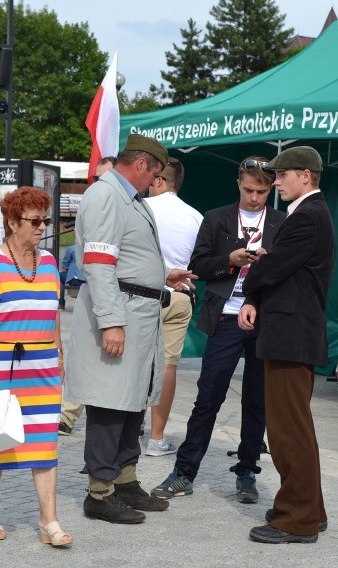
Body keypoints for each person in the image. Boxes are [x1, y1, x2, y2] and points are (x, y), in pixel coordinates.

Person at [65, 134, 195, 525]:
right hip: (121, 311)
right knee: (109, 403)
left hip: (139, 308)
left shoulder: (129, 199)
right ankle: (100, 492)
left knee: (132, 399)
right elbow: (100, 264)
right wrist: (112, 323)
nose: (154, 181)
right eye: (154, 173)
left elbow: (126, 256)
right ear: (141, 165)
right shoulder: (107, 196)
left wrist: (162, 275)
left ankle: (125, 480)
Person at [152, 156, 285, 504]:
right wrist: (230, 261)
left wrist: (267, 264)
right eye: (248, 189)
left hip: (263, 320)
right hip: (225, 317)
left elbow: (286, 275)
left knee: (258, 402)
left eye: (261, 191)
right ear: (238, 183)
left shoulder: (281, 223)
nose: (255, 197)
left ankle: (247, 472)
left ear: (270, 188)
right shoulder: (216, 218)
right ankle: (184, 472)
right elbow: (196, 266)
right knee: (208, 397)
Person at [0, 186, 72, 547]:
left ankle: (49, 521)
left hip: (43, 368)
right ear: (13, 223)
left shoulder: (50, 263)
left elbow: (52, 312)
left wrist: (59, 353)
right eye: (35, 220)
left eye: (46, 219)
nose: (42, 226)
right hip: (0, 366)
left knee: (45, 444)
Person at [238, 146, 334, 544]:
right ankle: (310, 509)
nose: (275, 182)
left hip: (292, 336)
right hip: (292, 334)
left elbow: (274, 269)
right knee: (296, 428)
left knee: (286, 432)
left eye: (282, 176)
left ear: (305, 176)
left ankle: (296, 520)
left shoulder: (308, 217)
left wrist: (255, 269)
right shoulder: (309, 215)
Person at [144, 158, 203, 456]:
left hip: (142, 294)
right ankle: (156, 438)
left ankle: (129, 432)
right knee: (168, 366)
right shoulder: (195, 216)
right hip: (180, 296)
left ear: (158, 180)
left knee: (135, 363)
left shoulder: (142, 208)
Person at [58, 155, 115, 435]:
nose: (96, 185)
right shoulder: (94, 205)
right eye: (94, 179)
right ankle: (67, 415)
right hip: (91, 292)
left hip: (121, 298)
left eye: (103, 179)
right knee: (82, 359)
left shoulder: (129, 209)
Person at [58, 244, 85, 311]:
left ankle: (61, 303)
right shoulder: (90, 249)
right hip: (88, 280)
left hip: (75, 279)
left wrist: (66, 268)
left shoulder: (72, 248)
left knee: (58, 276)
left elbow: (65, 265)